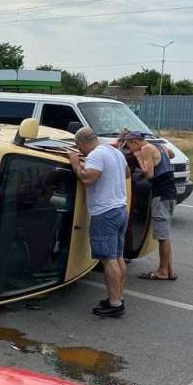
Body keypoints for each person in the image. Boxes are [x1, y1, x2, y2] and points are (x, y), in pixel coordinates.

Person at [68, 127, 130, 318]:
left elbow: (87, 178)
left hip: (105, 213)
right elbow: (127, 173)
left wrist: (75, 163)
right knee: (118, 256)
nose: (80, 151)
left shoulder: (95, 155)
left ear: (81, 143)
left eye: (79, 147)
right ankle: (118, 296)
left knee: (108, 259)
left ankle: (115, 304)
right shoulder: (115, 152)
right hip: (120, 209)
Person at [123, 131, 178, 281]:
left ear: (135, 142)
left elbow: (149, 174)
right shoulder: (158, 146)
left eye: (129, 145)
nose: (129, 149)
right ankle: (169, 270)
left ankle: (162, 271)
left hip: (160, 194)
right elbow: (171, 154)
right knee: (165, 235)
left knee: (162, 236)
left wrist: (139, 158)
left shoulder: (145, 149)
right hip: (170, 193)